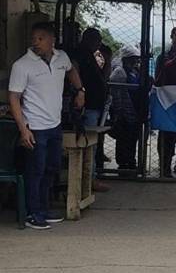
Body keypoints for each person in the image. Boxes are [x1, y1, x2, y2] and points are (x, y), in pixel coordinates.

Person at [8, 22, 86, 229]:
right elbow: (14, 97)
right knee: (35, 171)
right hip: (35, 126)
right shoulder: (22, 65)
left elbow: (72, 70)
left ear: (53, 40)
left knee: (51, 168)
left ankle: (43, 208)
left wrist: (80, 90)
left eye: (41, 38)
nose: (36, 42)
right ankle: (32, 213)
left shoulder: (62, 58)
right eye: (34, 38)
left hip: (55, 124)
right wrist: (23, 129)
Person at [75, 28, 111, 192]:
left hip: (94, 104)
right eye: (97, 40)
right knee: (89, 143)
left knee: (92, 142)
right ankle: (89, 178)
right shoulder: (81, 55)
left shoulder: (90, 56)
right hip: (87, 105)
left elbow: (102, 78)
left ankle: (89, 177)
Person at [155, 26, 176, 177]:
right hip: (168, 101)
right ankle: (165, 166)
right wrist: (174, 61)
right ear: (171, 37)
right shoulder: (164, 56)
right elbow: (158, 78)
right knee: (167, 135)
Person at [109, 45, 147, 171]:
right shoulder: (120, 72)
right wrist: (118, 112)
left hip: (135, 110)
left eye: (137, 58)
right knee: (123, 138)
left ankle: (131, 161)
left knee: (132, 138)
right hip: (124, 111)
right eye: (132, 58)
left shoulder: (135, 71)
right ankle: (123, 164)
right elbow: (116, 94)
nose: (135, 61)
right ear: (125, 59)